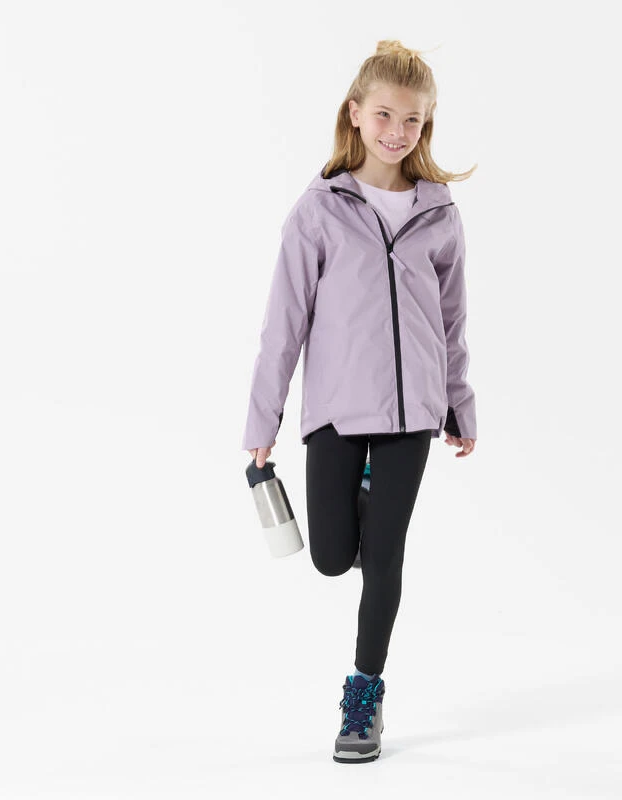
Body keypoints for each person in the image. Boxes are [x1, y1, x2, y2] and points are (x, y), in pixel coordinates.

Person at [241, 39, 478, 763]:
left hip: (412, 413)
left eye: (413, 120)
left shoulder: (438, 213)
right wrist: (263, 419)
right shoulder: (319, 210)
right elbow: (284, 323)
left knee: (385, 558)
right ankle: (364, 490)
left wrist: (459, 404)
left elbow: (452, 319)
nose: (397, 131)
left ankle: (364, 693)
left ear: (426, 125)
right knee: (331, 556)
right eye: (384, 115)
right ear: (354, 113)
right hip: (338, 409)